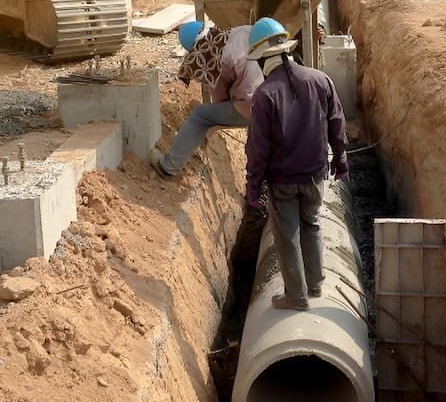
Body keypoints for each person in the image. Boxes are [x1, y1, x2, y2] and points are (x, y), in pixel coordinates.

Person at [244, 17, 348, 311]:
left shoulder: (265, 95)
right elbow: (337, 124)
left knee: (287, 235)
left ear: (262, 58)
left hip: (284, 181)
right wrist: (340, 160)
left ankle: (296, 297)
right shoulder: (320, 80)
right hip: (316, 175)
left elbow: (257, 150)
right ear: (286, 49)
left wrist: (253, 188)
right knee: (311, 225)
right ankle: (315, 284)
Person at [149, 20, 263, 178]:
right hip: (281, 95)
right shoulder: (241, 31)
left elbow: (220, 100)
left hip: (256, 105)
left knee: (201, 115)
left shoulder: (214, 58)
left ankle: (169, 167)